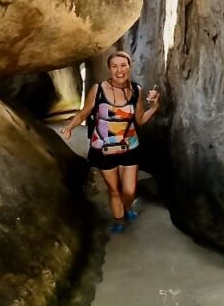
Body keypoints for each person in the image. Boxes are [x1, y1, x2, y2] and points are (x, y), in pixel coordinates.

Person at [60, 51, 160, 233]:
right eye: (114, 66)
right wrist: (70, 126)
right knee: (114, 191)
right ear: (109, 69)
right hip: (103, 148)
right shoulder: (98, 89)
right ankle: (119, 219)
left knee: (129, 191)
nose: (119, 70)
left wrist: (154, 107)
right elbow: (84, 113)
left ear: (129, 67)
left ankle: (126, 208)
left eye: (123, 65)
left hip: (130, 146)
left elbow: (140, 120)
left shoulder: (137, 90)